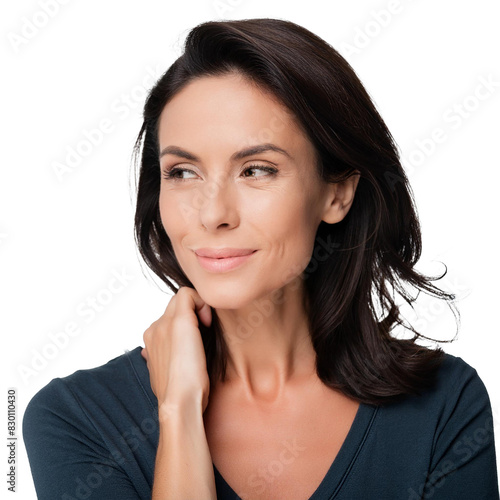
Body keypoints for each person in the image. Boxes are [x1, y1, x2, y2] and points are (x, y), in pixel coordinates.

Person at [23, 18, 499, 500]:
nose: (212, 214)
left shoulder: (445, 406)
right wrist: (178, 412)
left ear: (337, 193)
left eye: (255, 170)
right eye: (183, 172)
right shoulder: (75, 420)